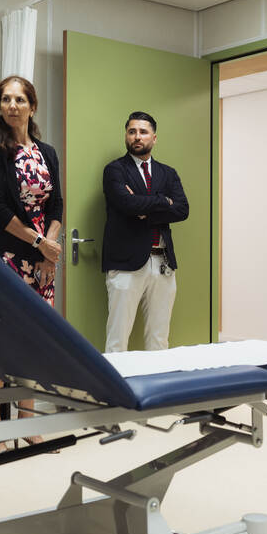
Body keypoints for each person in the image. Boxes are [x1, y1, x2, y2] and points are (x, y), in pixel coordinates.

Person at [0, 75, 62, 450]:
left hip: (42, 262)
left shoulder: (47, 152)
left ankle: (27, 420)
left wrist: (49, 250)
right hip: (6, 257)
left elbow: (56, 205)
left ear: (32, 106)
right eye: (6, 99)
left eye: (20, 99)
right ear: (0, 106)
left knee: (34, 341)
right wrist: (40, 243)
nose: (12, 106)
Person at [101, 112, 189, 353]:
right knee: (117, 339)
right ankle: (115, 380)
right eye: (132, 132)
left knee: (159, 339)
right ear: (126, 136)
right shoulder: (115, 170)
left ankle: (158, 379)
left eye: (143, 132)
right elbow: (126, 204)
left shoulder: (168, 173)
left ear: (154, 137)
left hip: (163, 262)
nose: (137, 137)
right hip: (126, 263)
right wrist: (163, 202)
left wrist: (145, 209)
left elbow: (182, 210)